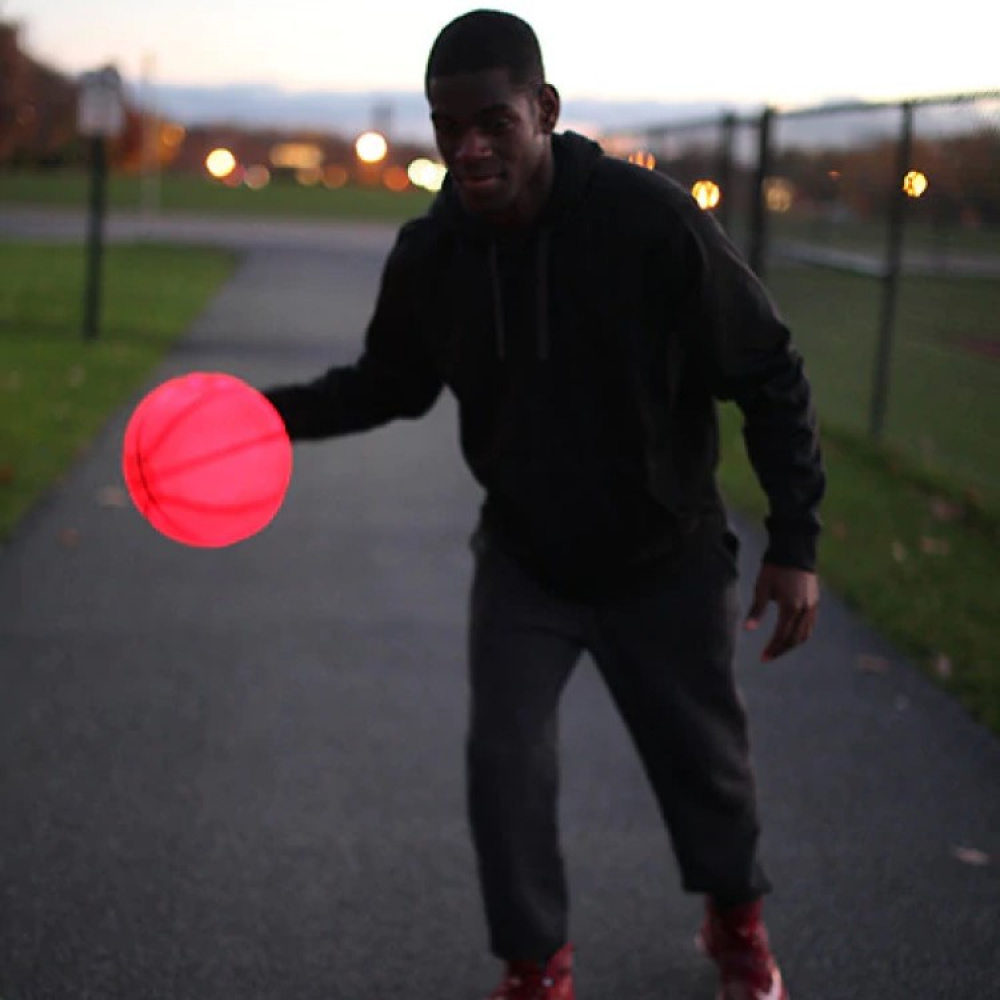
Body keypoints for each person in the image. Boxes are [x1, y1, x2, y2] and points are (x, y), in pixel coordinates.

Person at [262, 9, 824, 1000]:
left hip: (666, 554)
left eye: (493, 122)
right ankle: (536, 964)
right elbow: (389, 384)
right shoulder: (433, 253)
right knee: (504, 763)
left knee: (706, 768)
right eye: (447, 127)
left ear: (543, 109)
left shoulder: (646, 221)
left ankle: (735, 920)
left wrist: (795, 539)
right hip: (526, 557)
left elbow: (765, 366)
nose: (467, 149)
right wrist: (258, 420)